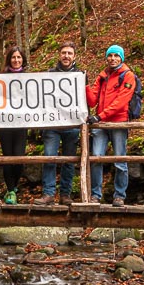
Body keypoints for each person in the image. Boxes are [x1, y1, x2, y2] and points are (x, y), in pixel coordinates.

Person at [86, 44, 136, 206]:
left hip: (118, 122)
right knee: (96, 158)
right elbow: (93, 100)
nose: (113, 58)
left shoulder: (127, 76)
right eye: (110, 55)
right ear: (106, 57)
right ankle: (95, 195)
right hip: (101, 123)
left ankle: (119, 195)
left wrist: (100, 116)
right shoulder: (102, 76)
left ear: (121, 58)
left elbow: (121, 102)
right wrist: (85, 85)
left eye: (116, 56)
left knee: (120, 159)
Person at [39, 41, 81, 206]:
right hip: (52, 125)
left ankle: (65, 194)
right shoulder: (50, 74)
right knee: (49, 157)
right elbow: (41, 98)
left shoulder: (80, 75)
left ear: (74, 56)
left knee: (69, 161)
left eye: (70, 53)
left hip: (72, 125)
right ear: (59, 55)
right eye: (64, 53)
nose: (66, 56)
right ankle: (48, 193)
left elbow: (84, 99)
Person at [0, 45, 28, 204]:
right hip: (5, 123)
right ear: (9, 59)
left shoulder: (30, 78)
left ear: (23, 59)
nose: (16, 60)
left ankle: (14, 186)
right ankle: (10, 191)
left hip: (21, 123)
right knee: (7, 156)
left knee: (19, 157)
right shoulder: (0, 77)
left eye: (19, 57)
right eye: (13, 57)